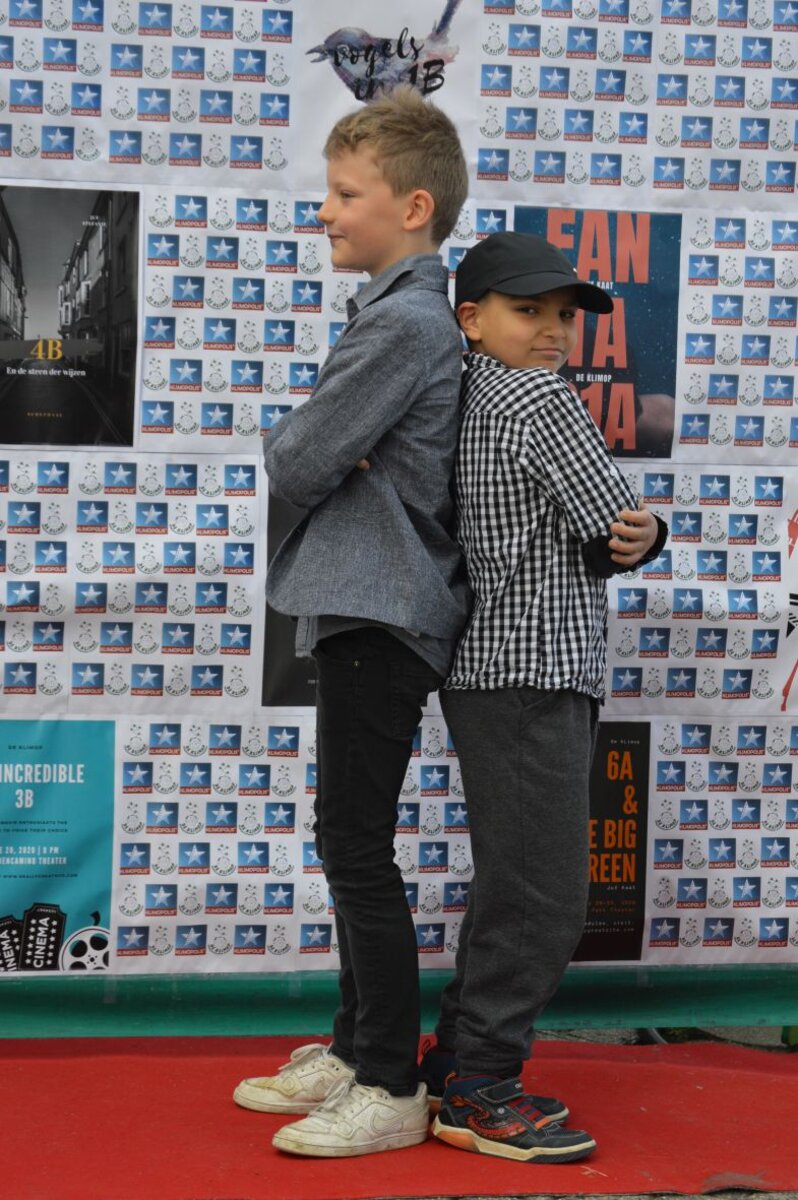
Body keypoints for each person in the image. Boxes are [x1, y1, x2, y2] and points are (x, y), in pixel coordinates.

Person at [232, 86, 471, 1157]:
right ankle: (351, 1046)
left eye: (343, 193)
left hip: (385, 607)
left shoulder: (406, 323)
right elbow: (322, 454)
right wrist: (335, 447)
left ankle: (387, 1080)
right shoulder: (396, 315)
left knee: (355, 845)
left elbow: (296, 461)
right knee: (350, 839)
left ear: (412, 207)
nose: (323, 211)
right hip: (365, 602)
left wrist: (326, 445)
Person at [417, 232, 668, 1163]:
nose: (555, 331)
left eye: (564, 314)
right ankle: (482, 1087)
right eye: (529, 311)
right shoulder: (540, 397)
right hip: (534, 671)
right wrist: (651, 531)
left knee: (513, 885)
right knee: (546, 897)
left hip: (488, 671)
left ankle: (455, 1064)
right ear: (471, 318)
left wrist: (635, 535)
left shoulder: (465, 392)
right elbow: (616, 529)